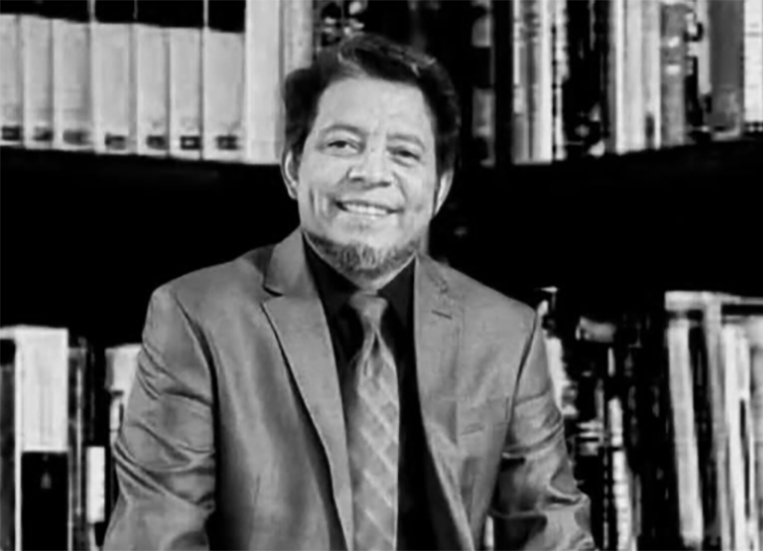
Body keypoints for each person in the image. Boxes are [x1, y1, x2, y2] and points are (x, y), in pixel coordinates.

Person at [102, 32, 595, 551]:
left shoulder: (505, 334)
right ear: (293, 169)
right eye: (343, 145)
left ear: (440, 189)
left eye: (404, 153)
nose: (372, 173)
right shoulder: (197, 318)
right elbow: (154, 539)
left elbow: (554, 534)